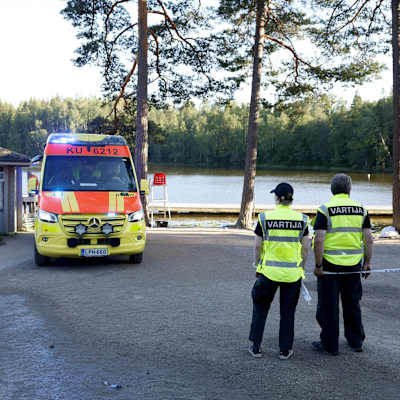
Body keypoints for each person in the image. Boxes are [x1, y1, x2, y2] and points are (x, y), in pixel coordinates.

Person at [312, 173, 373, 355]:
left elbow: (319, 240)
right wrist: (367, 263)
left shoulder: (325, 209)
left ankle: (330, 345)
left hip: (330, 265)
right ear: (349, 189)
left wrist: (318, 265)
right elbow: (368, 238)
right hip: (353, 264)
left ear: (332, 189)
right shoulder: (361, 209)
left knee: (328, 305)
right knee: (352, 303)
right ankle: (356, 341)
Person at [249, 183, 310, 360]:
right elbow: (306, 247)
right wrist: (301, 267)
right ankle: (285, 350)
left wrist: (257, 264)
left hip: (268, 272)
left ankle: (256, 347)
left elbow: (257, 245)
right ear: (291, 199)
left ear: (276, 197)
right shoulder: (302, 220)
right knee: (288, 312)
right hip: (292, 274)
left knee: (260, 308)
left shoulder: (264, 218)